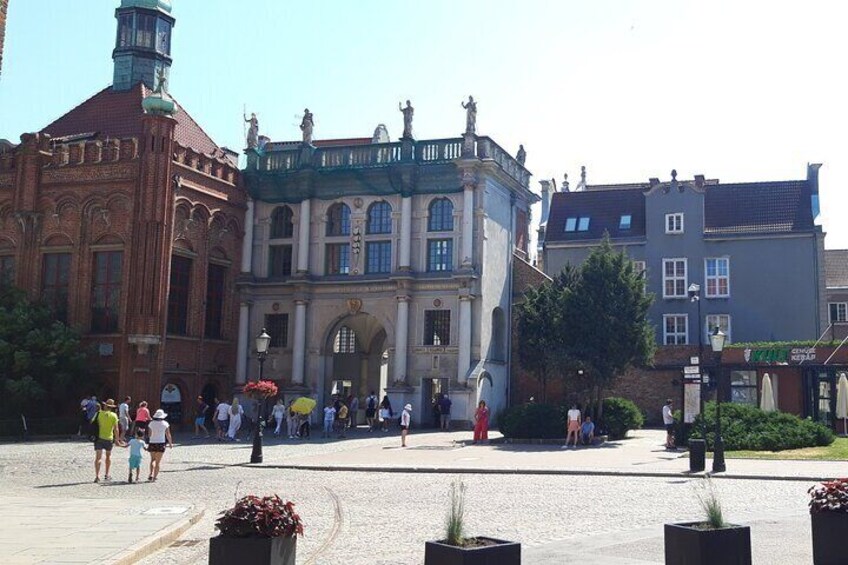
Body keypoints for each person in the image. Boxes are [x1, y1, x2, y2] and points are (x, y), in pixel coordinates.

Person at [93, 399, 124, 483]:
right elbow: (116, 429)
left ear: (105, 406)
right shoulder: (114, 415)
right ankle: (106, 474)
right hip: (109, 439)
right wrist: (117, 440)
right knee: (108, 457)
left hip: (99, 438)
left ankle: (97, 476)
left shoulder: (98, 414)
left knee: (98, 458)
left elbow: (92, 422)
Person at [147, 409, 173, 481]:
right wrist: (170, 443)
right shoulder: (165, 423)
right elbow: (168, 434)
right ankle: (154, 477)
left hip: (152, 442)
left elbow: (149, 434)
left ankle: (151, 473)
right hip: (161, 442)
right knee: (158, 462)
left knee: (152, 460)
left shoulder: (151, 423)